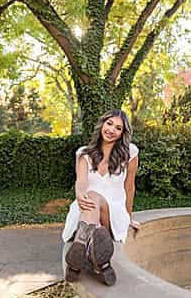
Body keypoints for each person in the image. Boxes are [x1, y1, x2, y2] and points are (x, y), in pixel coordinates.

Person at [61, 109, 142, 282]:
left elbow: (130, 187)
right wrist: (80, 193)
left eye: (118, 128)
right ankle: (96, 258)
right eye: (109, 123)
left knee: (93, 196)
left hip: (112, 211)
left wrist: (129, 216)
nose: (112, 130)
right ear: (102, 124)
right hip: (86, 207)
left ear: (122, 134)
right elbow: (81, 181)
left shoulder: (130, 153)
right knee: (91, 196)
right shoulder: (84, 154)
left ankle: (79, 253)